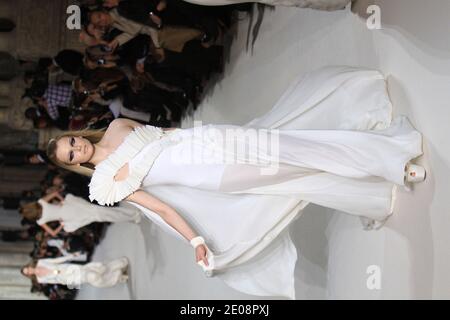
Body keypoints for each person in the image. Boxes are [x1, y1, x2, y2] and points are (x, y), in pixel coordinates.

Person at [46, 66, 425, 298]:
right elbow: (159, 206)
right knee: (293, 172)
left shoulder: (116, 125)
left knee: (295, 148)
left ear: (77, 134)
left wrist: (207, 134)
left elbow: (168, 132)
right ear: (72, 165)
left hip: (214, 141)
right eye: (70, 154)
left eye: (72, 141)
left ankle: (389, 158)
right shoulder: (105, 185)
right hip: (215, 176)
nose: (76, 148)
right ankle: (387, 167)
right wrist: (195, 239)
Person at [19, 189, 141, 235]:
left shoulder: (40, 221)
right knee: (101, 211)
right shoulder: (40, 202)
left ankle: (131, 217)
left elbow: (53, 233)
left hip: (68, 218)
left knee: (102, 215)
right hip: (69, 207)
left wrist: (61, 225)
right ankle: (131, 216)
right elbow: (55, 193)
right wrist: (61, 201)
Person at [21, 256, 129, 289]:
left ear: (29, 266)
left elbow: (56, 260)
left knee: (97, 269)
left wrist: (70, 256)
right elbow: (55, 281)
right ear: (29, 275)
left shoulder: (41, 262)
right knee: (92, 278)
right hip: (67, 279)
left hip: (69, 268)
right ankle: (117, 276)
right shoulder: (39, 279)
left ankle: (118, 267)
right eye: (28, 273)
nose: (30, 271)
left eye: (28, 269)